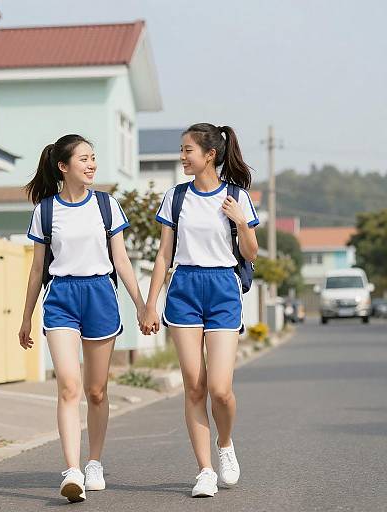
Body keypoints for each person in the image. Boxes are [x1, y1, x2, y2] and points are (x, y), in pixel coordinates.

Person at [19, 134, 145, 503]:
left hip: (100, 297)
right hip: (60, 298)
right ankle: (72, 469)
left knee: (96, 390)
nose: (91, 164)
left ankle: (93, 462)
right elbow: (37, 268)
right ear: (63, 166)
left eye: (94, 158)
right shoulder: (45, 210)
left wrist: (141, 304)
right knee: (69, 386)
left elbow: (121, 260)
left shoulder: (107, 206)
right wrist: (26, 317)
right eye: (84, 159)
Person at [141, 123, 259, 498]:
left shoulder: (237, 196)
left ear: (210, 154)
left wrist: (241, 221)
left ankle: (225, 444)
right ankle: (205, 469)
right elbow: (163, 255)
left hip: (223, 289)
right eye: (181, 149)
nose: (182, 156)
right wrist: (150, 303)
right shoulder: (175, 198)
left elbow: (251, 253)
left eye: (187, 150)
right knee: (195, 386)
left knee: (220, 389)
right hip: (185, 290)